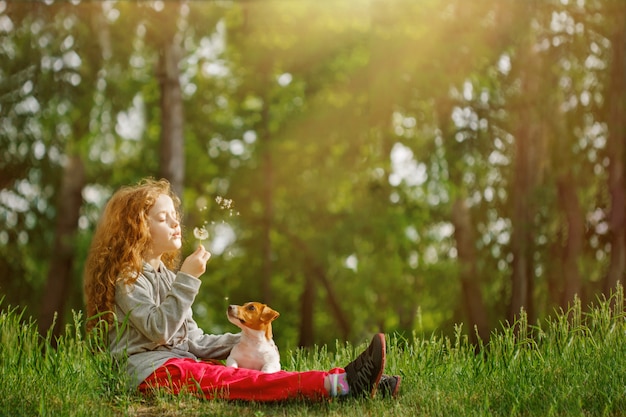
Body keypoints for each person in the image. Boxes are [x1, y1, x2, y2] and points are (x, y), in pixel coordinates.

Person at [83, 178, 400, 401]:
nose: (175, 223)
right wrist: (189, 279)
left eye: (174, 216)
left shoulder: (167, 275)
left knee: (242, 374)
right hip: (149, 373)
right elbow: (158, 331)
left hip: (180, 365)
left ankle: (355, 380)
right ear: (138, 229)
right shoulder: (130, 277)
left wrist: (249, 339)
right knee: (234, 380)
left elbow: (193, 341)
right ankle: (339, 385)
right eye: (163, 218)